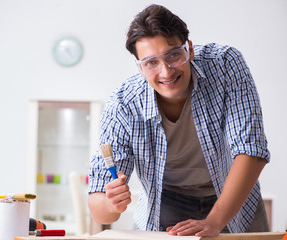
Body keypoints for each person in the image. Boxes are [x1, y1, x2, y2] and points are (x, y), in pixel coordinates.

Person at [88, 4, 270, 237]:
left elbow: (251, 149)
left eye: (173, 55)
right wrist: (112, 205)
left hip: (235, 198)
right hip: (167, 203)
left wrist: (213, 221)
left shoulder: (225, 64)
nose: (166, 72)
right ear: (140, 67)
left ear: (189, 50)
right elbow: (98, 207)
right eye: (151, 62)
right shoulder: (123, 105)